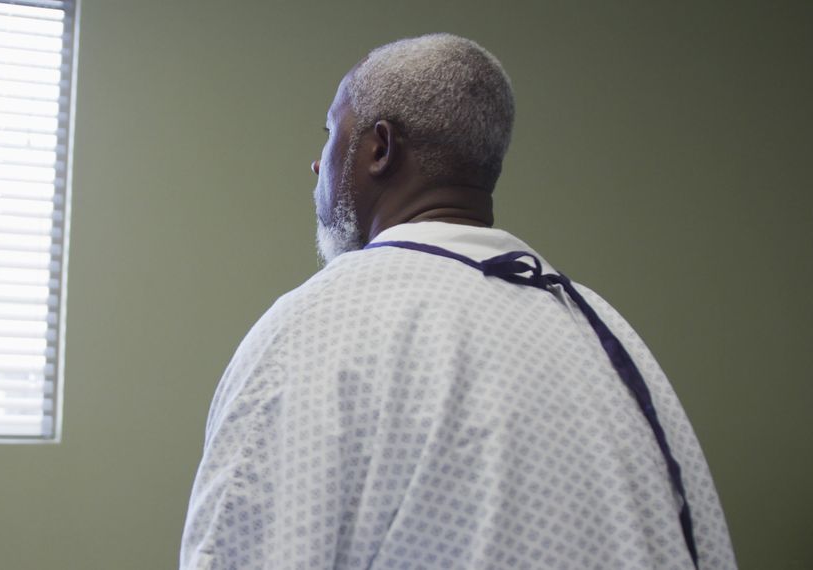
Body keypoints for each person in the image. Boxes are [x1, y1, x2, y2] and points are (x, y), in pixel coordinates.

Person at [181, 33, 736, 569]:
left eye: (330, 133)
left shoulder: (319, 328)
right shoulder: (609, 339)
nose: (315, 164)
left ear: (380, 148)